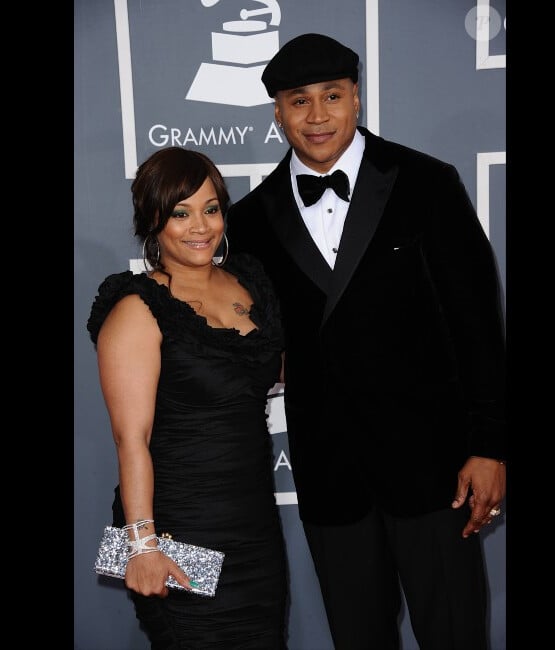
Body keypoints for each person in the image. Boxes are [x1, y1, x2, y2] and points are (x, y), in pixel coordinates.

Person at [227, 33, 506, 650]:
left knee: (456, 635)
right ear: (278, 112)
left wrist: (490, 445)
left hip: (437, 472)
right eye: (299, 101)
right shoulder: (248, 221)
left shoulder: (428, 184)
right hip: (333, 478)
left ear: (357, 99)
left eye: (332, 96)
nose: (318, 116)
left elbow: (479, 326)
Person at [87, 146, 288, 649]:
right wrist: (142, 545)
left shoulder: (249, 283)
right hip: (179, 534)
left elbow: (265, 369)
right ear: (152, 220)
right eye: (181, 213)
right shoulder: (137, 309)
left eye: (211, 208)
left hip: (254, 532)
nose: (201, 226)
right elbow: (131, 440)